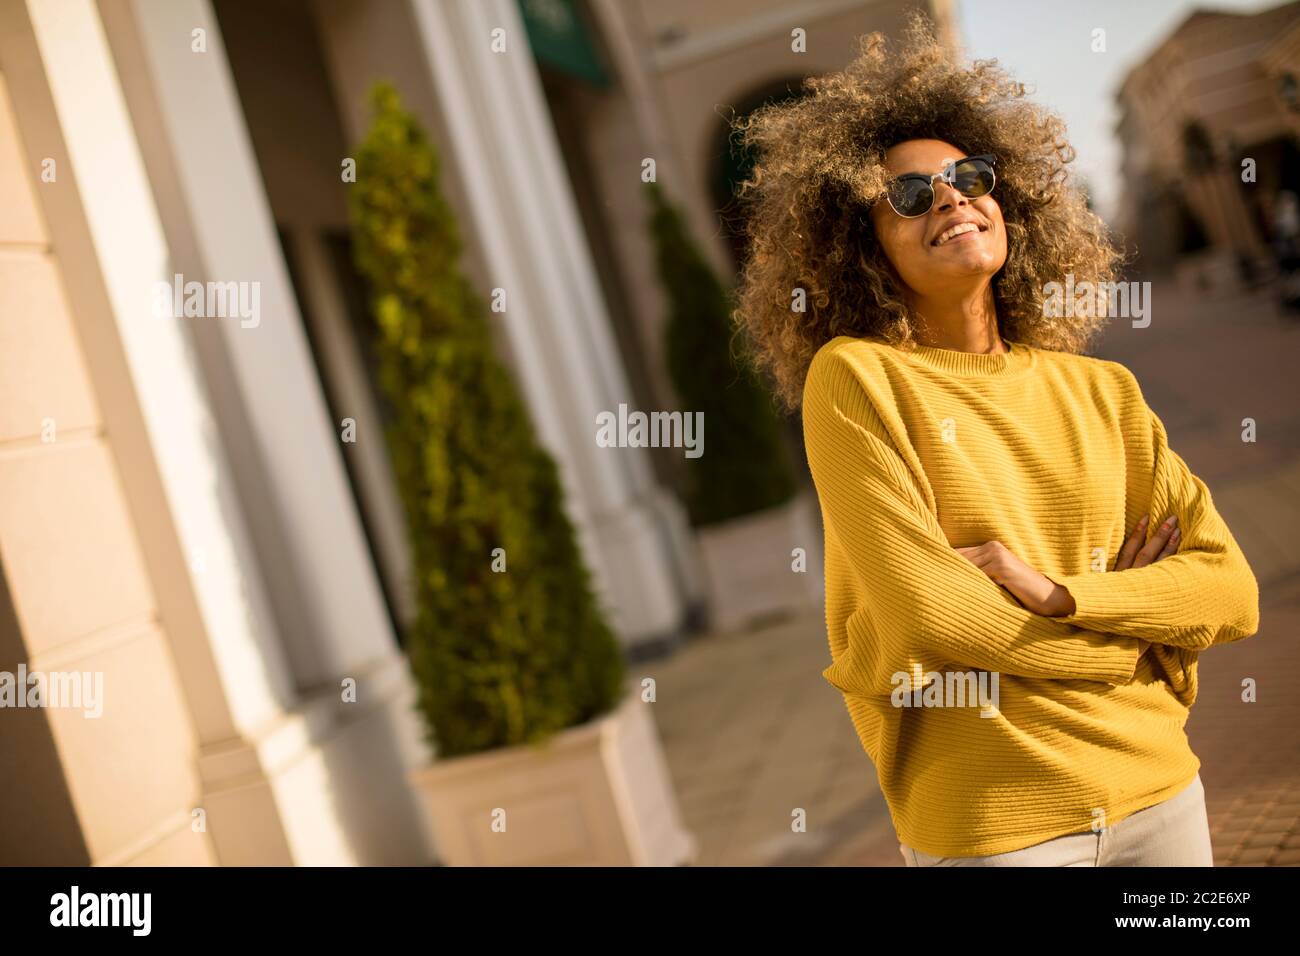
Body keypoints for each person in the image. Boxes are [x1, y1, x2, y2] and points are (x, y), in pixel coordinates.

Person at [731, 14, 1260, 866]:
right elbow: (931, 617)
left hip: (1163, 795)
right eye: (909, 194)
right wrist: (1130, 650)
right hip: (995, 828)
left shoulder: (1103, 390)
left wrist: (1058, 595)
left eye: (967, 175)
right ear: (861, 248)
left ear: (1005, 199)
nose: (948, 197)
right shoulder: (859, 381)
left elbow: (1230, 590)